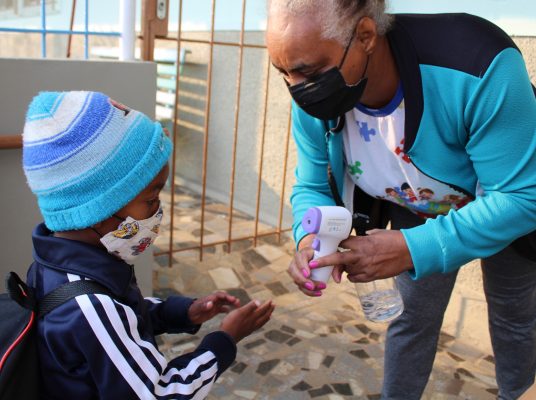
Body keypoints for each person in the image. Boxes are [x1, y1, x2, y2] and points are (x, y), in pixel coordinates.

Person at [266, 1, 536, 399]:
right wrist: (309, 238)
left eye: (308, 70)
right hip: (420, 206)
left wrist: (412, 248)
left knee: (514, 319)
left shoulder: (476, 62)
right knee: (411, 320)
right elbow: (311, 185)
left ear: (365, 36)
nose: (296, 87)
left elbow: (520, 197)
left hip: (506, 209)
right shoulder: (310, 98)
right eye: (283, 72)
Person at [22, 91, 275, 399]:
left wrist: (182, 313)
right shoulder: (89, 306)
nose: (158, 212)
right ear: (98, 208)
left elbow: (122, 317)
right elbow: (160, 393)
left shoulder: (61, 264)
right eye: (151, 199)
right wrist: (225, 338)